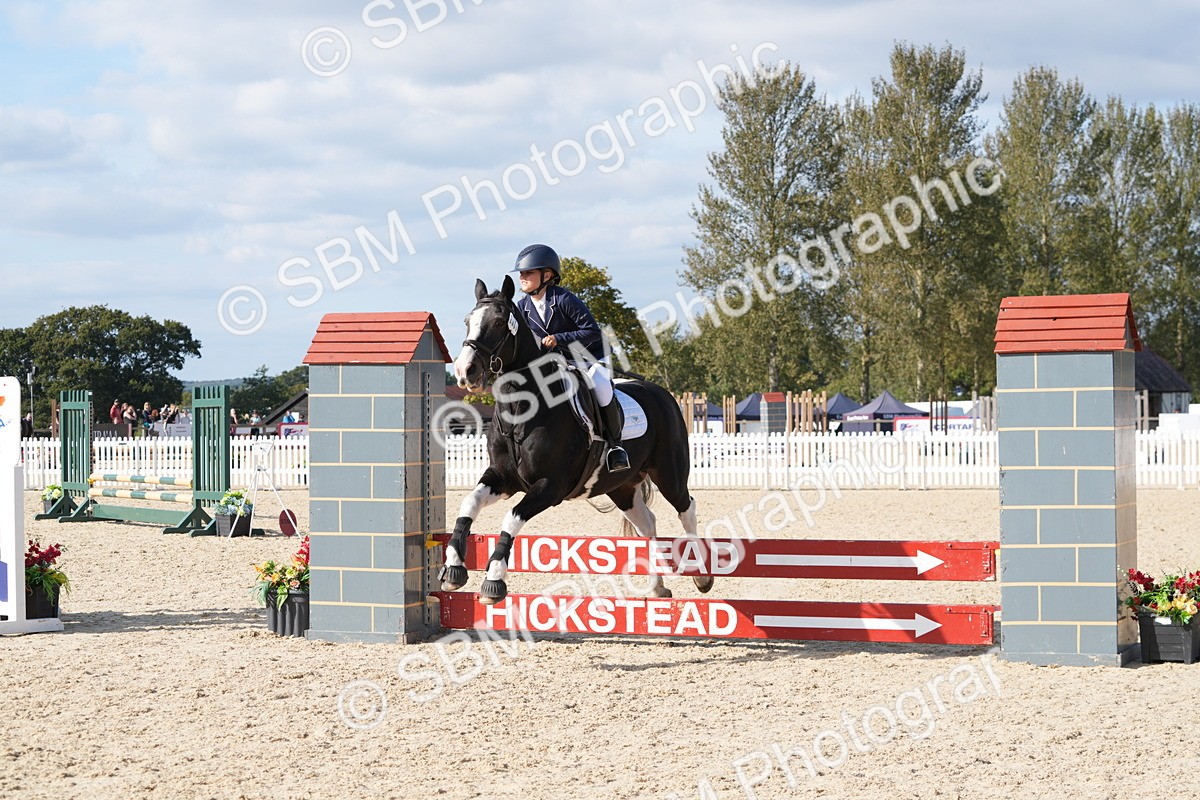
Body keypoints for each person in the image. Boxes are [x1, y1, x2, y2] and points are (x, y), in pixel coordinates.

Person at [509, 243, 629, 472]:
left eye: (528, 272)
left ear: (547, 275)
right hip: (559, 362)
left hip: (590, 357)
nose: (522, 277)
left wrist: (558, 338)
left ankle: (616, 447)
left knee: (602, 387)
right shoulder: (522, 307)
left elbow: (592, 331)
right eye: (521, 273)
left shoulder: (563, 299)